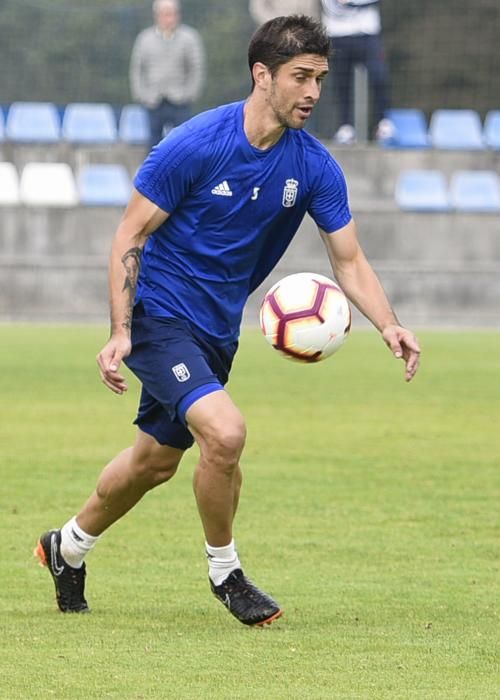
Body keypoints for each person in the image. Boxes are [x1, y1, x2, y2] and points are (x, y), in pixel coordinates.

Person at [34, 15, 420, 627]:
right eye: (301, 77)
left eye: (320, 78)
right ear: (261, 75)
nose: (314, 92)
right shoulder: (196, 143)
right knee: (227, 433)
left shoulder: (315, 166)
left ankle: (68, 546)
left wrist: (389, 325)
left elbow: (348, 260)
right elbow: (129, 235)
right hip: (159, 316)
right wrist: (121, 330)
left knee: (154, 462)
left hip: (216, 331)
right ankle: (226, 573)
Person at [129, 0, 205, 150]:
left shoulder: (189, 38)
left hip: (180, 102)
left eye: (171, 14)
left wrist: (189, 94)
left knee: (183, 146)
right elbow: (137, 69)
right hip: (153, 101)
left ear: (178, 15)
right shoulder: (144, 39)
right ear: (156, 16)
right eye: (164, 14)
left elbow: (196, 68)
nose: (168, 19)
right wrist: (142, 95)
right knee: (153, 148)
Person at [320, 0, 394, 144]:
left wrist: (351, 3)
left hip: (368, 33)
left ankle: (383, 123)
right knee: (342, 84)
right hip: (337, 34)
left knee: (379, 76)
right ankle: (346, 127)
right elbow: (332, 6)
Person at [249, 0, 320, 24]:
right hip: (275, 34)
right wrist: (279, 24)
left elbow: (314, 10)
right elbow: (259, 10)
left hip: (305, 33)